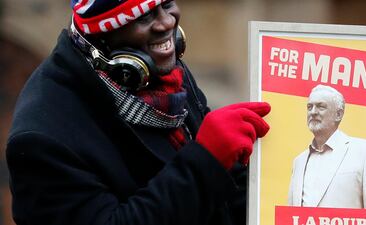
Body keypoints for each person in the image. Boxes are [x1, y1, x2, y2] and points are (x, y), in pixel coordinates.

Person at [5, 1, 271, 225]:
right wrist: (207, 160)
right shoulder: (41, 139)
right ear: (105, 31)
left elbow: (221, 197)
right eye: (144, 16)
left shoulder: (161, 71)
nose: (167, 23)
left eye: (166, 4)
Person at [288, 84, 366, 209]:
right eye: (309, 107)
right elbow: (290, 216)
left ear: (338, 114)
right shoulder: (299, 162)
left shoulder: (364, 151)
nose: (313, 112)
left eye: (321, 107)